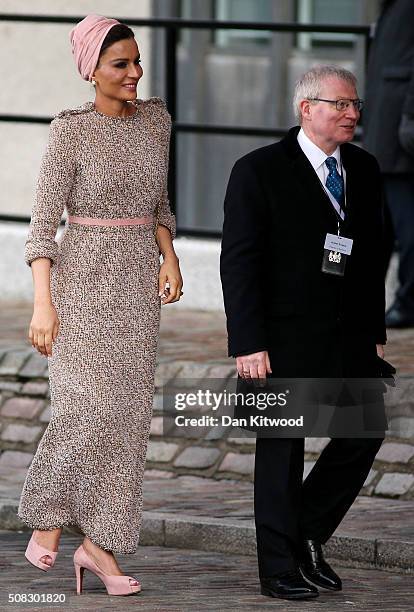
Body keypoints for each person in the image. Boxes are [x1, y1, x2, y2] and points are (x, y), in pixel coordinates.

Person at [18, 14, 183, 597]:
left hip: (137, 285)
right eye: (121, 64)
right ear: (91, 69)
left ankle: (102, 548)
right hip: (80, 281)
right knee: (84, 411)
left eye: (138, 61)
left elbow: (160, 202)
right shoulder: (71, 131)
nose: (135, 73)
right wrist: (44, 306)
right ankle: (48, 517)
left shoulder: (157, 121)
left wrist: (170, 256)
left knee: (129, 421)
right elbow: (41, 228)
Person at [220, 65, 386, 601]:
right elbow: (239, 264)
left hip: (349, 334)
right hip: (280, 337)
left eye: (355, 105)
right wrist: (248, 341)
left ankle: (307, 533)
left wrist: (374, 330)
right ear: (306, 108)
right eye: (340, 104)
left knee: (364, 432)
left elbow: (373, 254)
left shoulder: (364, 167)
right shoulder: (259, 170)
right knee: (282, 448)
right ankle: (277, 566)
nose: (352, 114)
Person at [363, 0, 414, 328]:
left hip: (400, 136)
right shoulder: (394, 7)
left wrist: (410, 119)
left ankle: (409, 302)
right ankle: (364, 300)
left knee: (406, 226)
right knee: (376, 227)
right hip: (385, 132)